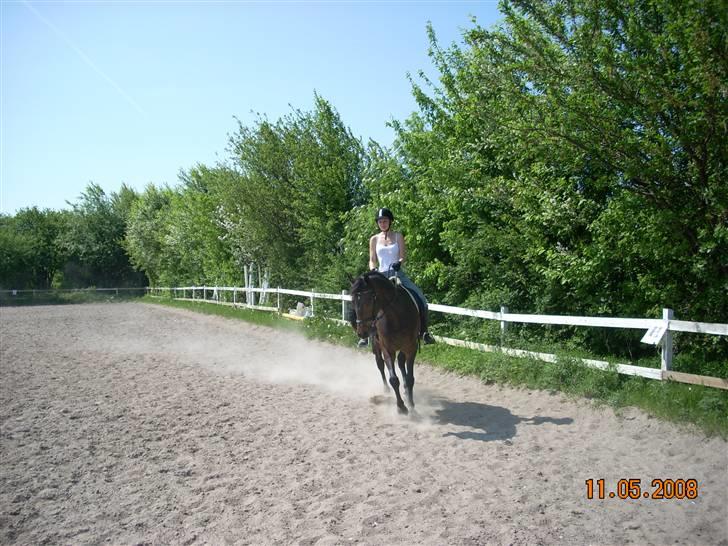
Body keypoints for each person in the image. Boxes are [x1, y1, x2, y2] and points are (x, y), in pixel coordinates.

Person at [357, 207, 436, 347]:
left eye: (385, 221)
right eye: (380, 221)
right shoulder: (373, 239)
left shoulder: (398, 236)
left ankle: (424, 332)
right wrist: (373, 269)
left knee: (420, 297)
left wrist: (399, 263)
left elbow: (402, 256)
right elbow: (372, 258)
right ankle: (364, 335)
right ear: (377, 223)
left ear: (390, 222)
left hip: (397, 274)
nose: (383, 223)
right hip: (380, 276)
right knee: (363, 300)